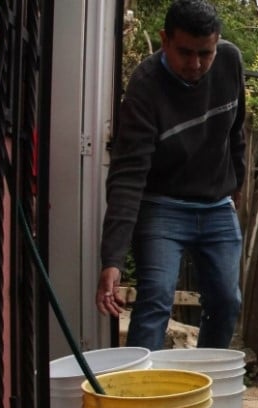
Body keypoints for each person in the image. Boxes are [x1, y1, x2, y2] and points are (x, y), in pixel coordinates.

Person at [95, 0, 245, 351]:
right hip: (162, 205)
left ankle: (206, 382)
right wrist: (113, 259)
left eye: (204, 53)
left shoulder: (229, 61)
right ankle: (141, 393)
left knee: (226, 301)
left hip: (216, 205)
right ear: (165, 39)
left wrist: (234, 184)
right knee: (156, 299)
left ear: (217, 42)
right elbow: (128, 175)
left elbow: (235, 130)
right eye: (185, 53)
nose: (195, 65)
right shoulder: (146, 86)